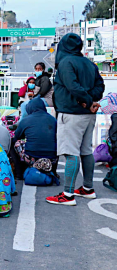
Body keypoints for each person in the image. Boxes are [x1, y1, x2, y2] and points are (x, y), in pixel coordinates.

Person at [46, 33, 104, 206]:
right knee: (86, 151)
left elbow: (72, 86)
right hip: (89, 115)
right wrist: (90, 101)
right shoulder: (89, 64)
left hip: (71, 114)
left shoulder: (65, 63)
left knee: (71, 153)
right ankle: (87, 189)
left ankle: (68, 194)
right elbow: (100, 87)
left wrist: (84, 101)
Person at [12, 98, 58, 179]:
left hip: (32, 157)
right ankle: (53, 171)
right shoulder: (53, 119)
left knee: (14, 143)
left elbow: (17, 136)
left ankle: (19, 173)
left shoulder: (26, 120)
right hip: (52, 158)